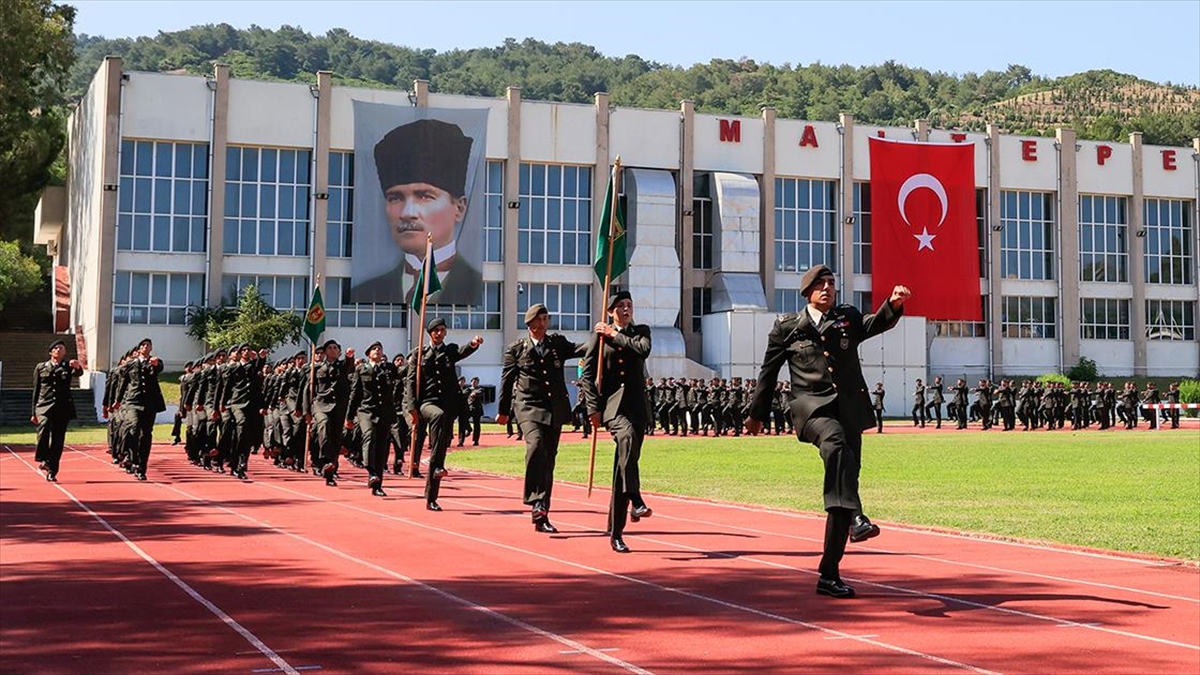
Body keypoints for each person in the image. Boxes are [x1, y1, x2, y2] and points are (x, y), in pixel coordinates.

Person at [744, 265, 909, 599]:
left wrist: (892, 303)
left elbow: (875, 323)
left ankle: (829, 573)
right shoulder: (788, 328)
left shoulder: (846, 317)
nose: (828, 288)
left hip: (849, 410)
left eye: (832, 284)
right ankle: (858, 516)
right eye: (820, 285)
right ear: (807, 292)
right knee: (835, 448)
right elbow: (768, 372)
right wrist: (756, 415)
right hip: (813, 410)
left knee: (843, 484)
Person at [352, 119, 483, 306]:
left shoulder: (477, 286)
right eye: (395, 198)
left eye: (424, 197)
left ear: (459, 208)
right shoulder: (367, 291)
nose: (407, 213)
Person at [497, 304, 586, 533]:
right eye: (542, 318)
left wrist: (602, 338)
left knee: (549, 461)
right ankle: (535, 498)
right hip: (527, 406)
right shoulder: (516, 349)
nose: (546, 322)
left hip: (554, 408)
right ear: (531, 323)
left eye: (547, 318)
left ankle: (541, 512)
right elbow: (507, 381)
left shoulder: (556, 344)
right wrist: (503, 410)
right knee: (536, 445)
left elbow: (579, 349)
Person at [581, 291, 654, 554]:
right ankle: (635, 498)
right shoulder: (599, 338)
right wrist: (593, 408)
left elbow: (642, 350)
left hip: (637, 408)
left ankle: (616, 532)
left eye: (629, 305)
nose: (626, 309)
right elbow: (587, 375)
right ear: (611, 310)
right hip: (613, 408)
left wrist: (615, 335)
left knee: (623, 466)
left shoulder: (641, 332)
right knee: (625, 439)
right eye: (620, 306)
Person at [405, 317, 483, 511]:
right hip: (426, 404)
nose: (439, 333)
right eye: (435, 330)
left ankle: (432, 496)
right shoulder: (419, 354)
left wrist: (473, 344)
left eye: (442, 330)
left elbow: (462, 351)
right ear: (430, 333)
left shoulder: (449, 352)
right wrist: (412, 408)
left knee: (439, 449)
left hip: (448, 405)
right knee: (438, 417)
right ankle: (436, 467)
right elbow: (410, 382)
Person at [346, 341, 395, 497]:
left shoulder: (387, 369)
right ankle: (370, 470)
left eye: (380, 349)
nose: (378, 351)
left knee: (381, 447)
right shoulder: (361, 369)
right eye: (374, 349)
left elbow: (404, 373)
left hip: (384, 412)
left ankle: (377, 484)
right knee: (369, 436)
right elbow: (355, 394)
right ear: (368, 354)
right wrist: (349, 416)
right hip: (365, 410)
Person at [112, 338, 165, 481]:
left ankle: (142, 467)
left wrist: (156, 364)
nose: (146, 347)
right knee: (133, 428)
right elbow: (123, 382)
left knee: (146, 434)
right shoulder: (131, 364)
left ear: (151, 348)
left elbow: (159, 367)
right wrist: (117, 401)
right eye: (143, 345)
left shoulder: (154, 362)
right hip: (133, 401)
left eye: (148, 345)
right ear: (139, 349)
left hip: (150, 403)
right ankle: (132, 457)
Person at [31, 340, 84, 482]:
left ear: (65, 352)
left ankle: (52, 470)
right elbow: (36, 390)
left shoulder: (67, 366)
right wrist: (33, 412)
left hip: (62, 408)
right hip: (44, 406)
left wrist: (78, 367)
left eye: (61, 348)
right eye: (55, 348)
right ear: (50, 352)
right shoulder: (41, 367)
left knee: (57, 440)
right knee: (43, 428)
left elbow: (78, 373)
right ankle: (43, 457)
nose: (58, 350)